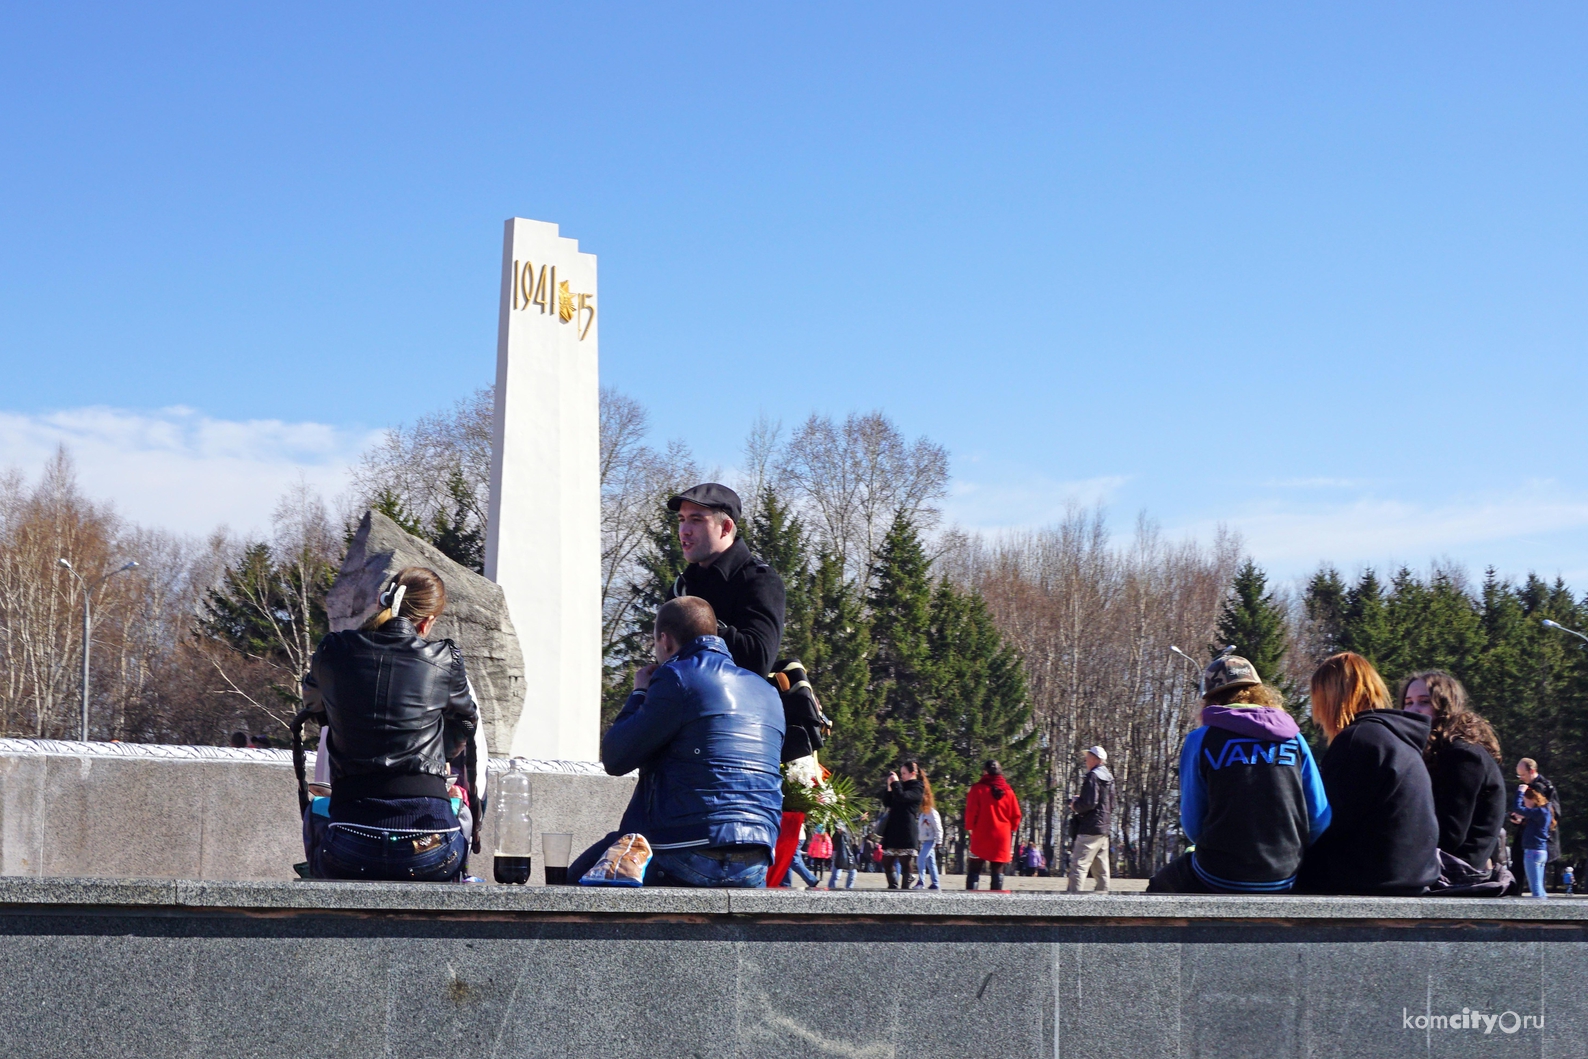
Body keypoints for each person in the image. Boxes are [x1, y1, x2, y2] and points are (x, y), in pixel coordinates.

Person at [577, 596, 786, 887]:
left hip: (687, 849)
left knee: (573, 881)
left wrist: (639, 694)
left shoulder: (676, 677)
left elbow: (615, 757)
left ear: (665, 639)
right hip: (758, 855)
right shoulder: (767, 692)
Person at [296, 567, 480, 882]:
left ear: (383, 604)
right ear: (427, 622)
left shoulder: (333, 650)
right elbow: (467, 724)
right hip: (430, 847)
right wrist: (440, 756)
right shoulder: (444, 658)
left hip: (348, 843)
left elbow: (312, 708)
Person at [1147, 654, 1330, 894]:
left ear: (1211, 698)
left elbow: (1193, 825)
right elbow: (1319, 816)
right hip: (1284, 874)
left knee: (1158, 888)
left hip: (1217, 874)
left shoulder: (1200, 739)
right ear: (1259, 691)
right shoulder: (1293, 737)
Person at [1297, 652, 1440, 896]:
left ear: (1330, 699)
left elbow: (1329, 822)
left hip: (1372, 878)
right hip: (1415, 876)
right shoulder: (1397, 738)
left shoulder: (1356, 740)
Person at [666, 483, 786, 677]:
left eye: (696, 520)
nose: (684, 531)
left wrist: (696, 625)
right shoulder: (681, 589)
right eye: (682, 519)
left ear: (726, 527)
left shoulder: (760, 580)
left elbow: (758, 661)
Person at [1400, 672, 1506, 872]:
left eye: (1424, 702)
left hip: (1455, 876)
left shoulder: (1461, 755)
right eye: (1408, 702)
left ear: (1445, 707)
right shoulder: (1435, 752)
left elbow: (1450, 834)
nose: (1413, 710)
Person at [965, 760, 1022, 890]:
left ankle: (968, 901)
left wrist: (970, 828)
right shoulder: (1009, 792)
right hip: (1002, 835)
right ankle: (996, 904)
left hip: (981, 832)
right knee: (997, 870)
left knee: (974, 869)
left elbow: (971, 812)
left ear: (985, 772)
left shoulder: (977, 789)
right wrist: (1011, 829)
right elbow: (1016, 815)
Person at [1509, 757, 1561, 893]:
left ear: (1531, 771)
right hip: (1525, 837)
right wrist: (1516, 819)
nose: (1520, 778)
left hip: (1539, 840)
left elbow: (1552, 814)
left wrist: (1525, 814)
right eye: (1518, 775)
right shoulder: (1527, 786)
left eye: (1523, 775)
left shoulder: (1545, 787)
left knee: (1536, 882)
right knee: (1517, 870)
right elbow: (1520, 810)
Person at [1066, 747, 1113, 894]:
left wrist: (1075, 804)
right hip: (1103, 827)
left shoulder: (1092, 777)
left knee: (1079, 865)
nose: (1086, 759)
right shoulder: (1109, 777)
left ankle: (1071, 901)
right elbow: (1112, 803)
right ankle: (1103, 898)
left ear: (1095, 759)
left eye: (1088, 757)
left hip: (1090, 827)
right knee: (1101, 868)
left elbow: (1089, 803)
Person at [879, 763, 925, 889]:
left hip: (906, 829)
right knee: (886, 861)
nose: (902, 776)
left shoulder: (917, 787)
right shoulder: (899, 786)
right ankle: (893, 885)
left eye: (904, 773)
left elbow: (903, 797)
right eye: (901, 773)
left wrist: (895, 784)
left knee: (905, 861)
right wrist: (889, 786)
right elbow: (888, 802)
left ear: (913, 773)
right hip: (893, 828)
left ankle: (906, 884)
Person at [1511, 785, 1552, 898]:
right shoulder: (1544, 812)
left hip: (1532, 852)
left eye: (1525, 801)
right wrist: (1521, 819)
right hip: (1541, 851)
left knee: (1535, 887)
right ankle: (1545, 909)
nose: (1525, 804)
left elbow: (1517, 808)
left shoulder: (1539, 812)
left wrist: (1520, 792)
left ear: (1533, 799)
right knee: (1539, 886)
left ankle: (1539, 912)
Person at [913, 770, 944, 890]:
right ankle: (935, 883)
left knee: (921, 859)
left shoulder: (931, 813)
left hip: (930, 840)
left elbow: (938, 827)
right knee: (931, 863)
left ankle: (921, 881)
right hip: (925, 840)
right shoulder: (922, 814)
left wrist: (939, 841)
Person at [827, 821, 858, 890]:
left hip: (848, 852)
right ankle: (831, 888)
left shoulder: (844, 826)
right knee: (836, 875)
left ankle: (849, 889)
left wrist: (859, 819)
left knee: (853, 873)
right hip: (838, 852)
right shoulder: (833, 822)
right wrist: (838, 832)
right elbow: (832, 836)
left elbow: (850, 822)